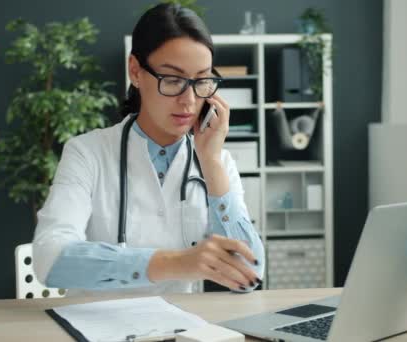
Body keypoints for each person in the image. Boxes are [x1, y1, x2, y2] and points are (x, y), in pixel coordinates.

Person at [33, 3, 265, 296]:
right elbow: (49, 259)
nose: (189, 101)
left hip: (183, 331)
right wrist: (177, 263)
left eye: (201, 81)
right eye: (172, 79)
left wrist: (211, 162)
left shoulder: (217, 162)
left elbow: (251, 273)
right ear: (135, 71)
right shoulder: (86, 153)